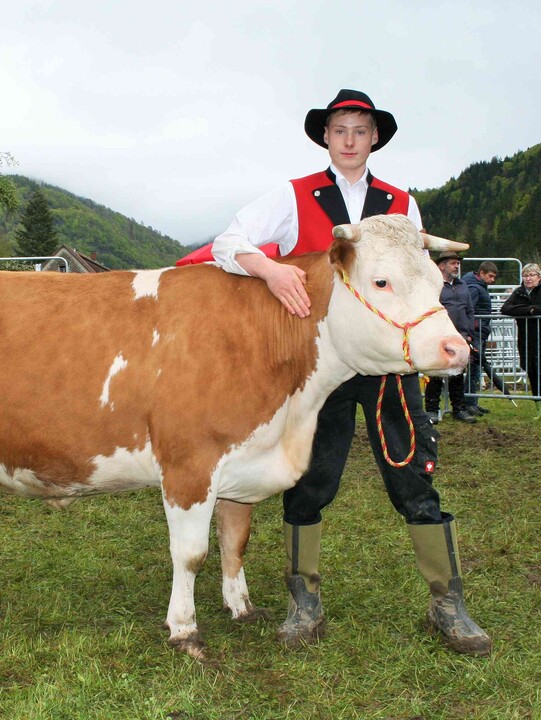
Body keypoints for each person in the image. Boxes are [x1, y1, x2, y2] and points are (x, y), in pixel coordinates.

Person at [207, 89, 491, 656]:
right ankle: (303, 602)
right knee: (310, 480)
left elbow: (413, 280)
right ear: (325, 136)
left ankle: (447, 603)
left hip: (390, 365)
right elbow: (227, 242)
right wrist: (270, 270)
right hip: (321, 370)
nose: (350, 140)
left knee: (413, 478)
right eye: (340, 130)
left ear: (375, 137)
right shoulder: (295, 196)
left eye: (360, 130)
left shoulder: (401, 204)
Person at [424, 251, 477, 423]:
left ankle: (459, 409)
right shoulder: (433, 286)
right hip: (439, 336)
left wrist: (469, 334)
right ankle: (432, 410)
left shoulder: (462, 285)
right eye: (453, 263)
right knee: (435, 374)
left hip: (460, 336)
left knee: (458, 374)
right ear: (441, 266)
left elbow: (469, 310)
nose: (456, 266)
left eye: (457, 263)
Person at [500, 264, 541, 419]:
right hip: (526, 339)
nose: (528, 278)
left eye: (532, 275)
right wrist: (529, 310)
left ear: (539, 277)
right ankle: (539, 408)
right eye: (525, 275)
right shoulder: (519, 292)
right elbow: (506, 308)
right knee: (532, 373)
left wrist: (531, 310)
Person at [461, 261, 498, 415]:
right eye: (490, 276)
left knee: (475, 369)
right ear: (481, 273)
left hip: (478, 331)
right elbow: (469, 309)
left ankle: (471, 401)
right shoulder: (475, 288)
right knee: (474, 369)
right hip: (475, 332)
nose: (492, 280)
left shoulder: (476, 286)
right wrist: (474, 327)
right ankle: (469, 402)